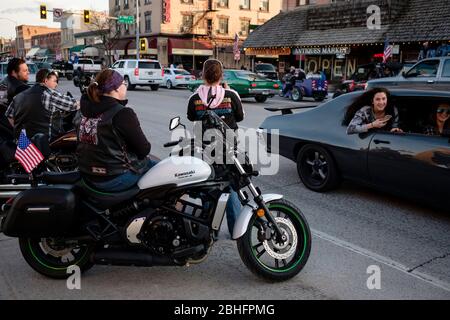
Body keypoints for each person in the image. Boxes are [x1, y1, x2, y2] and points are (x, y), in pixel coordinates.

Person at [187, 58, 244, 237]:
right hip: (229, 149)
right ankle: (237, 229)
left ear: (203, 75)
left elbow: (191, 117)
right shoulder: (231, 95)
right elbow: (240, 117)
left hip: (206, 149)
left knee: (208, 186)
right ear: (221, 75)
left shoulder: (195, 98)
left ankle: (208, 231)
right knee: (232, 187)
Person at [75, 69, 154, 192]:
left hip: (87, 174)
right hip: (114, 177)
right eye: (124, 84)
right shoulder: (122, 113)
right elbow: (144, 149)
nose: (125, 87)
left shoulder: (82, 111)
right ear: (116, 88)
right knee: (167, 174)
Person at [6, 68, 79, 141]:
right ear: (46, 80)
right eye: (54, 81)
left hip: (22, 144)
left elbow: (9, 117)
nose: (56, 84)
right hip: (46, 144)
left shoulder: (18, 96)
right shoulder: (50, 95)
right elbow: (73, 105)